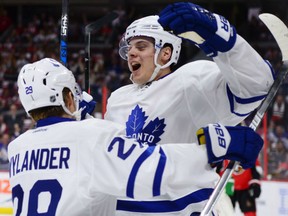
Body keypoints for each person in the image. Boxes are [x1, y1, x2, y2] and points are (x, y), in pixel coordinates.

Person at [8, 57, 263, 215]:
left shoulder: (17, 148)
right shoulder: (89, 136)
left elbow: (76, 167)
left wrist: (82, 120)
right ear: (67, 97)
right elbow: (152, 169)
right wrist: (215, 149)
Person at [105, 2, 275, 215]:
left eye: (140, 46)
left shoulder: (190, 81)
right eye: (129, 48)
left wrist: (217, 33)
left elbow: (257, 84)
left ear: (165, 54)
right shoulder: (117, 99)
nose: (130, 53)